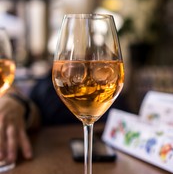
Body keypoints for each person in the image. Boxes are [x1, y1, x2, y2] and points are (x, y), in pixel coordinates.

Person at [0, 70, 129, 165]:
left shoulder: (109, 85)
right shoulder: (46, 86)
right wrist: (15, 102)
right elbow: (35, 112)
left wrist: (15, 101)